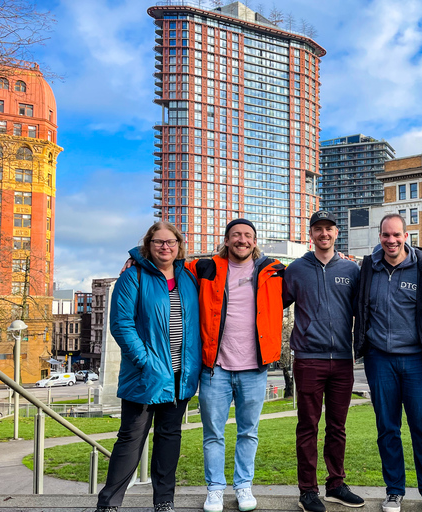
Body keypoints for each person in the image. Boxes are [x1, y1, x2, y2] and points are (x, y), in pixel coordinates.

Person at [96, 221, 202, 512]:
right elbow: (121, 325)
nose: (165, 247)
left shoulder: (189, 277)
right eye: (158, 242)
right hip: (145, 376)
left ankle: (164, 501)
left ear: (179, 246)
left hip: (181, 375)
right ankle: (108, 503)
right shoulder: (134, 276)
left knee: (169, 439)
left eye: (170, 242)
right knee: (131, 439)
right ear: (148, 245)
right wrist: (146, 362)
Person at [189, 219, 285, 512]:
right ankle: (215, 489)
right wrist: (135, 255)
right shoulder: (205, 268)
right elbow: (166, 256)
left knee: (248, 432)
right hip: (215, 368)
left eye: (248, 236)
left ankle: (244, 486)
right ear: (227, 240)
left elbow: (307, 276)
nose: (242, 240)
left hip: (255, 369)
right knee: (213, 434)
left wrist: (341, 257)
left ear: (255, 241)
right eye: (236, 235)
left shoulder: (275, 270)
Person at [354, 214, 422, 512]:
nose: (391, 241)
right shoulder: (369, 266)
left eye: (396, 235)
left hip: (417, 362)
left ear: (406, 236)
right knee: (387, 429)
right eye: (385, 235)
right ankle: (394, 490)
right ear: (379, 236)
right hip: (379, 359)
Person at [283, 211, 364, 512]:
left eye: (328, 229)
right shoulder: (296, 270)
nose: (324, 234)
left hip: (343, 360)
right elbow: (273, 299)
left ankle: (336, 484)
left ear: (336, 232)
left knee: (337, 427)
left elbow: (365, 306)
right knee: (308, 426)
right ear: (311, 233)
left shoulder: (351, 269)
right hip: (307, 359)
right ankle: (307, 490)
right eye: (318, 229)